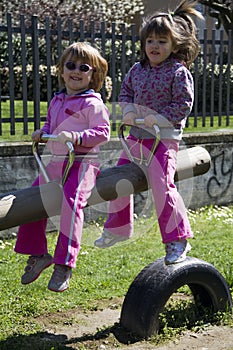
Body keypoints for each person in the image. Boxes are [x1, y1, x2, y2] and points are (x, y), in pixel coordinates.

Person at [95, 0, 203, 265]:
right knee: (120, 180)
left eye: (162, 42)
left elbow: (183, 104)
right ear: (144, 43)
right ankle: (118, 228)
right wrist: (129, 111)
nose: (155, 46)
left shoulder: (178, 72)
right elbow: (126, 93)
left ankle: (177, 239)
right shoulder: (137, 69)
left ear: (175, 45)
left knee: (161, 186)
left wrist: (157, 118)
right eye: (151, 41)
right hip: (135, 139)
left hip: (163, 141)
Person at [15, 42, 110, 292]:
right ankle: (37, 253)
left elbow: (103, 132)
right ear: (61, 69)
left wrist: (78, 138)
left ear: (94, 75)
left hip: (82, 163)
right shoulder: (57, 100)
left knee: (72, 201)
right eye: (71, 65)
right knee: (32, 200)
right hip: (56, 163)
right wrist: (43, 133)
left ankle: (64, 263)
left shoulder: (93, 103)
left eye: (83, 67)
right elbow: (50, 125)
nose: (76, 71)